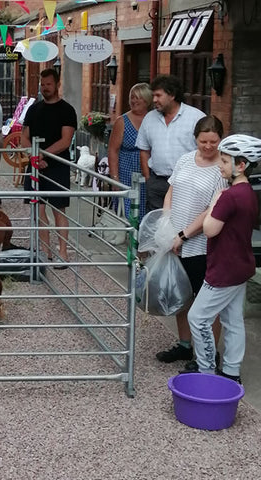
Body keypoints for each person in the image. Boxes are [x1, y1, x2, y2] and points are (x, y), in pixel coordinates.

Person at [187, 134, 261, 383]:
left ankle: (206, 368)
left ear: (241, 166)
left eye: (226, 161)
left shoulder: (228, 196)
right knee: (232, 320)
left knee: (197, 318)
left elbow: (209, 229)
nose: (220, 165)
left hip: (223, 270)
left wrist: (215, 200)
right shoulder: (248, 192)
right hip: (240, 266)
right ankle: (231, 370)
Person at [156, 115, 228, 365]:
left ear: (221, 139)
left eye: (213, 141)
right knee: (182, 296)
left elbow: (212, 210)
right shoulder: (185, 160)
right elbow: (172, 191)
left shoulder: (222, 170)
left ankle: (207, 353)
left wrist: (184, 234)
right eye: (203, 141)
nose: (208, 147)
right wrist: (166, 223)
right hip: (175, 241)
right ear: (195, 139)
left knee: (206, 302)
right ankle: (184, 344)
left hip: (200, 245)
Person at [20, 68, 77, 265]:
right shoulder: (34, 109)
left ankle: (63, 251)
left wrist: (42, 154)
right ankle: (45, 251)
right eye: (42, 85)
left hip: (57, 165)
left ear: (57, 84)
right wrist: (34, 156)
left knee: (59, 209)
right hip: (36, 165)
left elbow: (65, 140)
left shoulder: (67, 110)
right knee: (38, 209)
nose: (45, 88)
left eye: (49, 84)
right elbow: (24, 138)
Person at [135, 75, 205, 212]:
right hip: (157, 182)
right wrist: (149, 179)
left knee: (183, 223)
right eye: (153, 95)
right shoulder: (149, 118)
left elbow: (206, 151)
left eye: (158, 95)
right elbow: (144, 150)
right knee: (156, 225)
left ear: (172, 95)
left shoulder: (196, 118)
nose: (154, 100)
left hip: (187, 183)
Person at [107, 83, 153, 222]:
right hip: (127, 171)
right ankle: (131, 242)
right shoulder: (122, 121)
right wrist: (115, 178)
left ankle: (141, 241)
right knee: (128, 212)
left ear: (147, 100)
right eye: (132, 97)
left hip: (149, 173)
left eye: (138, 98)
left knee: (147, 211)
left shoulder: (154, 119)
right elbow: (113, 150)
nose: (134, 101)